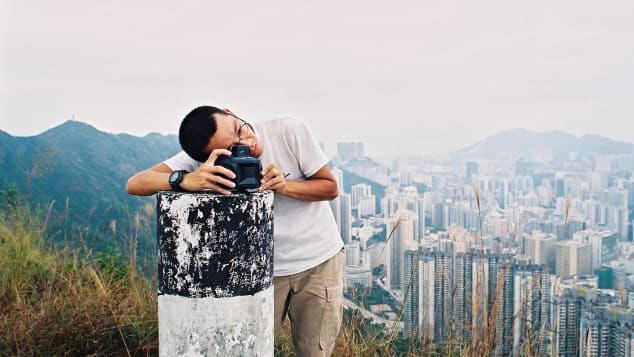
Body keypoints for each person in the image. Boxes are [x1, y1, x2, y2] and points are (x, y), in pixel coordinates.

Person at [126, 105, 344, 356]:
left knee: (316, 350)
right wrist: (186, 179)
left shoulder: (287, 130)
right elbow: (136, 183)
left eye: (240, 130)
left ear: (231, 112)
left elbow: (329, 187)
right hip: (260, 273)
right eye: (232, 150)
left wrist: (284, 186)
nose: (246, 144)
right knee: (253, 348)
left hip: (318, 262)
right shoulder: (203, 159)